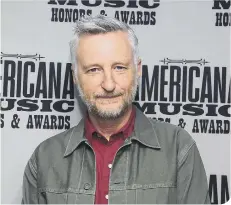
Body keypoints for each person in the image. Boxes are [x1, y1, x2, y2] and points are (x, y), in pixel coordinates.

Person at [22, 15, 210, 204]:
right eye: (94, 70)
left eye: (119, 67)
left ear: (138, 70)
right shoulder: (45, 159)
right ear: (75, 76)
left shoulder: (178, 149)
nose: (109, 84)